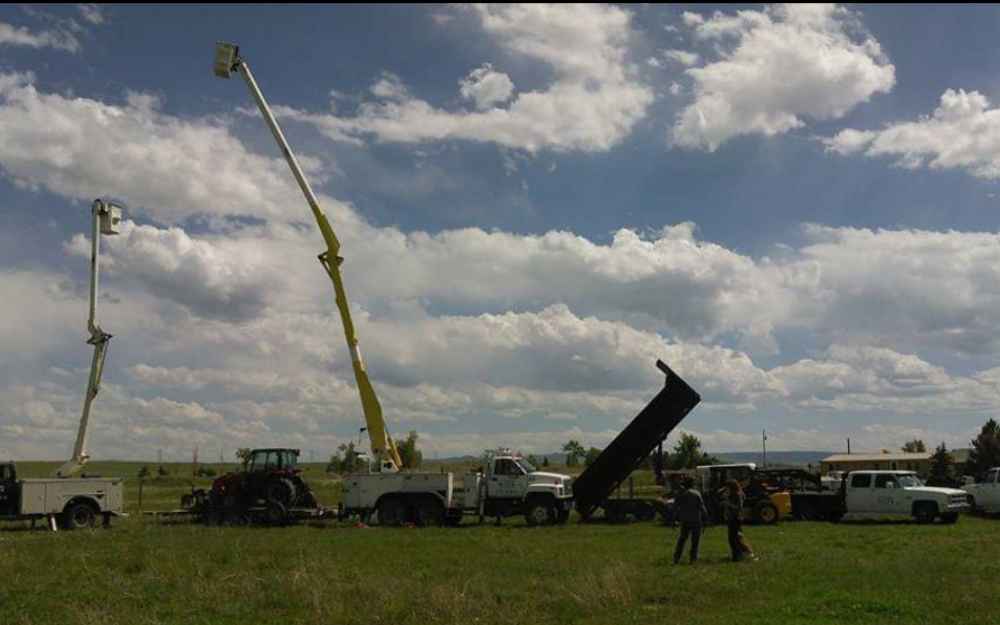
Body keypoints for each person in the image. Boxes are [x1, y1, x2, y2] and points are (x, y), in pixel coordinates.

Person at [672, 476, 709, 564]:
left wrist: (673, 519)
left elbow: (675, 507)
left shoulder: (680, 494)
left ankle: (676, 558)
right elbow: (702, 507)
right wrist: (706, 519)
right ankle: (693, 559)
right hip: (696, 519)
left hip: (684, 519)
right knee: (695, 541)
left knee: (682, 539)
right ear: (693, 484)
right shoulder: (696, 493)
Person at [722, 479, 757, 562]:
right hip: (732, 518)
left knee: (735, 538)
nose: (726, 489)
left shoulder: (738, 495)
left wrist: (728, 504)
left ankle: (746, 553)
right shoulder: (731, 494)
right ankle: (739, 554)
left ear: (731, 487)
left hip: (736, 518)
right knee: (735, 538)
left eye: (727, 487)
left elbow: (739, 507)